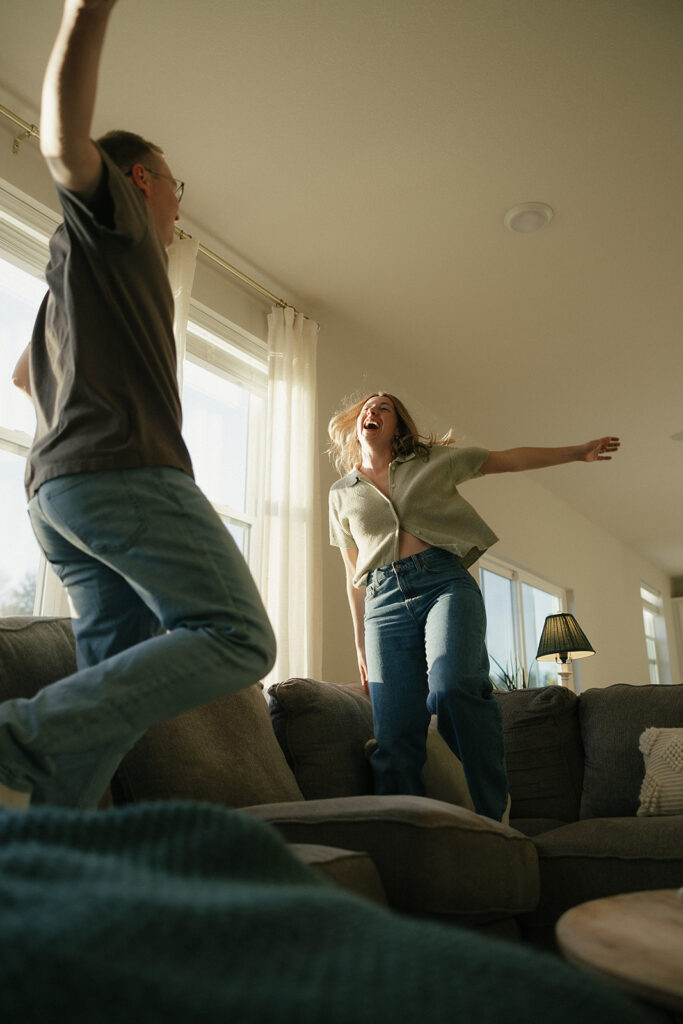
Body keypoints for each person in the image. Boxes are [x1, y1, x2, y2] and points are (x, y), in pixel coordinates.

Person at [0, 0, 275, 811]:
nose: (179, 208)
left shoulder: (75, 271)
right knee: (237, 634)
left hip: (56, 496)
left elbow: (24, 376)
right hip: (122, 471)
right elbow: (60, 143)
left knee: (111, 689)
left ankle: (53, 851)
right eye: (175, 187)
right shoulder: (114, 218)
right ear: (143, 180)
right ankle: (18, 738)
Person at [328, 392, 619, 821]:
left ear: (398, 425)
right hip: (381, 605)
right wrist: (358, 645)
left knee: (453, 689)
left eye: (384, 408)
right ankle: (402, 837)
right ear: (357, 424)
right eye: (367, 407)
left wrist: (577, 452)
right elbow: (353, 575)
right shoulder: (341, 493)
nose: (373, 411)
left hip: (443, 582)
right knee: (394, 735)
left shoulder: (432, 462)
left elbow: (509, 459)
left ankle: (493, 810)